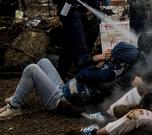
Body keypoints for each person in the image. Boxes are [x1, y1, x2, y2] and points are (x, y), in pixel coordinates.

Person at [0, 42, 140, 120]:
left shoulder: (108, 74)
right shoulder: (113, 67)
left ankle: (15, 107)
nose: (109, 54)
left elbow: (81, 75)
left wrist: (96, 65)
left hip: (60, 100)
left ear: (119, 59)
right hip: (64, 88)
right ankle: (19, 95)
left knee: (31, 69)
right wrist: (94, 59)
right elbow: (81, 67)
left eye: (113, 53)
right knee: (44, 61)